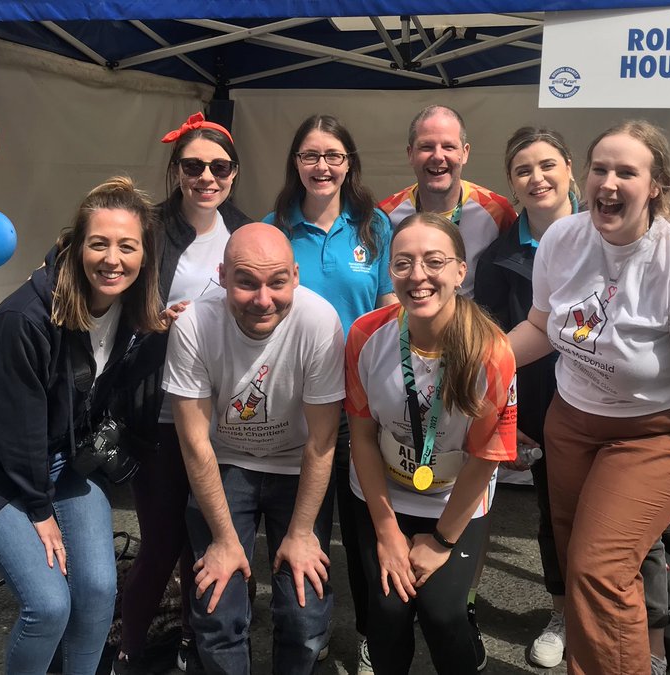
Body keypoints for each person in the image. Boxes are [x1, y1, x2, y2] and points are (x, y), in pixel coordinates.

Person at [507, 120, 670, 675]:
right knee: (577, 559)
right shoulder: (563, 240)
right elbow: (542, 327)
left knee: (599, 568)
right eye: (600, 169)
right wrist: (476, 363)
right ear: (584, 176)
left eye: (626, 172)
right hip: (569, 423)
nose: (608, 182)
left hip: (653, 433)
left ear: (656, 184)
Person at [0, 177, 165, 674]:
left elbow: (116, 384)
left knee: (99, 589)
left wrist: (167, 329)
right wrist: (40, 513)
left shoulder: (131, 309)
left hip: (64, 459)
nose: (113, 259)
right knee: (48, 606)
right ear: (75, 244)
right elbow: (15, 428)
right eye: (99, 243)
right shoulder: (25, 318)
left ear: (145, 255)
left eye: (127, 246)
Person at [475, 126, 670, 671]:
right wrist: (510, 420)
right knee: (556, 520)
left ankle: (650, 644)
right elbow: (500, 343)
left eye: (546, 165)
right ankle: (564, 616)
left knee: (636, 536)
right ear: (511, 184)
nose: (536, 178)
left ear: (569, 170)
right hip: (548, 417)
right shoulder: (497, 260)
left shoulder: (630, 238)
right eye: (522, 170)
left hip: (631, 416)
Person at [164, 223, 345, 674]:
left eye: (277, 282)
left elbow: (323, 442)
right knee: (217, 612)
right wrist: (224, 541)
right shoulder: (194, 325)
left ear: (296, 276)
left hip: (297, 464)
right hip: (224, 463)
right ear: (223, 275)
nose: (263, 299)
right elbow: (195, 444)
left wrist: (303, 534)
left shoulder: (319, 321)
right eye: (246, 282)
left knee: (304, 615)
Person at [345, 212, 517, 675]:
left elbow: (484, 459)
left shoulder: (492, 351)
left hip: (453, 500)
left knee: (443, 614)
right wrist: (386, 532)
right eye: (403, 263)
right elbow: (361, 436)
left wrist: (440, 541)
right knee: (386, 612)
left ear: (461, 271)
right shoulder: (365, 335)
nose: (417, 275)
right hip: (384, 494)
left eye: (433, 261)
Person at [111, 112, 249, 674]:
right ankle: (129, 644)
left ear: (234, 173)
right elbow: (109, 305)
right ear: (176, 170)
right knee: (163, 540)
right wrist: (152, 320)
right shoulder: (148, 228)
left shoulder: (244, 231)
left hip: (225, 415)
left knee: (210, 538)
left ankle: (199, 638)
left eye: (219, 167)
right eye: (193, 166)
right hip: (160, 411)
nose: (206, 177)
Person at [265, 113, 394, 671]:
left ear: (349, 163)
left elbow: (391, 307)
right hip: (299, 402)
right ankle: (305, 637)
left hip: (365, 403)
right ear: (295, 162)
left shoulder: (375, 225)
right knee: (308, 524)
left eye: (333, 156)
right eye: (311, 156)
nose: (322, 167)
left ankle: (371, 633)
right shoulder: (274, 227)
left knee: (366, 529)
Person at [379, 105, 515, 294]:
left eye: (448, 146)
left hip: (474, 321)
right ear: (411, 154)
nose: (437, 156)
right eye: (426, 147)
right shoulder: (385, 215)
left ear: (465, 153)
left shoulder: (497, 211)